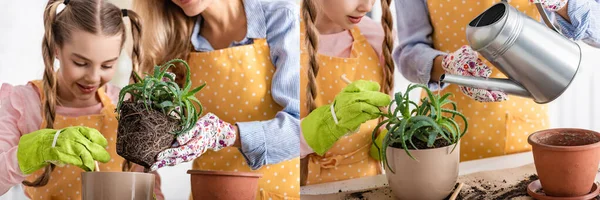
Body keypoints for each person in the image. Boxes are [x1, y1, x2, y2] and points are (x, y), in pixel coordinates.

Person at [133, 0, 301, 199]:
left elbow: (304, 127)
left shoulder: (281, 17)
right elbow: (149, 137)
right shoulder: (175, 38)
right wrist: (148, 181)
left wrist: (226, 134)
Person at [394, 0, 600, 161]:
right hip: (438, 129)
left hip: (520, 130)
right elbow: (409, 52)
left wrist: (565, 3)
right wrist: (448, 64)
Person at [0, 0, 164, 199]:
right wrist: (35, 151)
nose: (94, 77)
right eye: (80, 63)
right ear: (56, 49)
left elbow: (148, 185)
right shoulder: (23, 103)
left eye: (107, 65)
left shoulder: (126, 107)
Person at [299, 0, 394, 185]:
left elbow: (382, 119)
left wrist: (392, 138)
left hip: (368, 185)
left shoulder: (376, 37)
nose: (367, 7)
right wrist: (325, 125)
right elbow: (269, 141)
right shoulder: (280, 39)